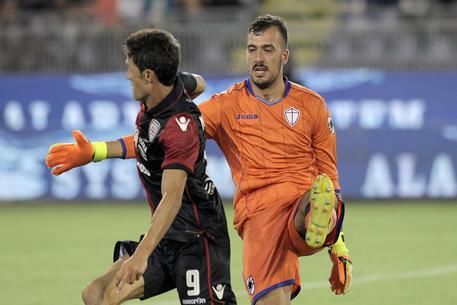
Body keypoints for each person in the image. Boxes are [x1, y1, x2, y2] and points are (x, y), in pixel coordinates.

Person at [47, 15, 353, 305]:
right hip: (259, 216)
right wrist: (96, 151)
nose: (258, 58)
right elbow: (169, 130)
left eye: (268, 50)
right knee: (98, 295)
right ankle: (316, 223)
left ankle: (316, 225)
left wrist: (338, 247)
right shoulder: (227, 106)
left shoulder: (313, 106)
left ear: (284, 56)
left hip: (291, 205)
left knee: (317, 197)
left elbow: (330, 177)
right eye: (252, 50)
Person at [46, 28, 237, 305]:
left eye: (130, 69)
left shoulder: (179, 129)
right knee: (97, 295)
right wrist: (94, 152)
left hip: (198, 240)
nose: (127, 75)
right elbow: (199, 83)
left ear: (149, 76)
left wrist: (141, 254)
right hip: (167, 234)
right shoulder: (164, 92)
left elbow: (172, 199)